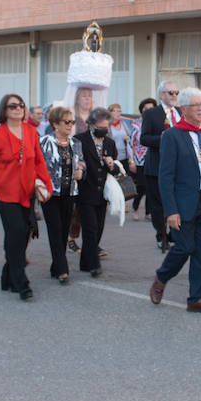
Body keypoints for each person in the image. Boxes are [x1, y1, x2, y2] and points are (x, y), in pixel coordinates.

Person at [149, 87, 201, 313]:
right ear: (184, 109)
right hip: (184, 203)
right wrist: (170, 211)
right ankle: (162, 277)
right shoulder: (172, 136)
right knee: (184, 247)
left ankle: (197, 298)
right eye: (196, 105)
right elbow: (166, 176)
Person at [0, 93, 52, 300]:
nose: (18, 108)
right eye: (12, 106)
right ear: (4, 110)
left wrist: (47, 183)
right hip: (5, 193)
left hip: (27, 192)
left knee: (24, 232)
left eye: (21, 105)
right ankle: (21, 282)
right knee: (17, 231)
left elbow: (39, 161)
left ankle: (8, 274)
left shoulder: (30, 131)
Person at [40, 105, 84, 284]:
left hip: (70, 191)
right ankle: (62, 268)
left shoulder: (76, 143)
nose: (70, 125)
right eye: (66, 122)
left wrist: (81, 168)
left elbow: (81, 161)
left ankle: (55, 265)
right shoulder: (44, 142)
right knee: (55, 229)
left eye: (72, 122)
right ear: (55, 124)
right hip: (51, 193)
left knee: (64, 229)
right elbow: (38, 165)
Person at [75, 107, 120, 278]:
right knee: (90, 228)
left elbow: (116, 171)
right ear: (92, 125)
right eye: (101, 125)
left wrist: (111, 165)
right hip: (85, 192)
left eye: (107, 125)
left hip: (103, 194)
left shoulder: (110, 143)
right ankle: (94, 264)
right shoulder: (79, 140)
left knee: (98, 229)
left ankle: (85, 262)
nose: (105, 128)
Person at [140, 81, 182, 250]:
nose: (174, 96)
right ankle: (161, 235)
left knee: (176, 202)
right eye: (170, 93)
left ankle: (174, 233)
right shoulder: (151, 114)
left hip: (178, 168)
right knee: (158, 205)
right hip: (156, 166)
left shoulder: (180, 112)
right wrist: (163, 138)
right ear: (161, 95)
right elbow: (144, 138)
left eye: (176, 92)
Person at [130, 98, 156, 220]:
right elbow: (131, 143)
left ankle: (148, 212)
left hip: (152, 159)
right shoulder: (136, 123)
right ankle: (135, 208)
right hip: (139, 160)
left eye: (151, 109)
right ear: (141, 110)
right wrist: (131, 160)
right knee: (141, 187)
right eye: (145, 109)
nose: (148, 111)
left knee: (151, 187)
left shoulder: (156, 123)